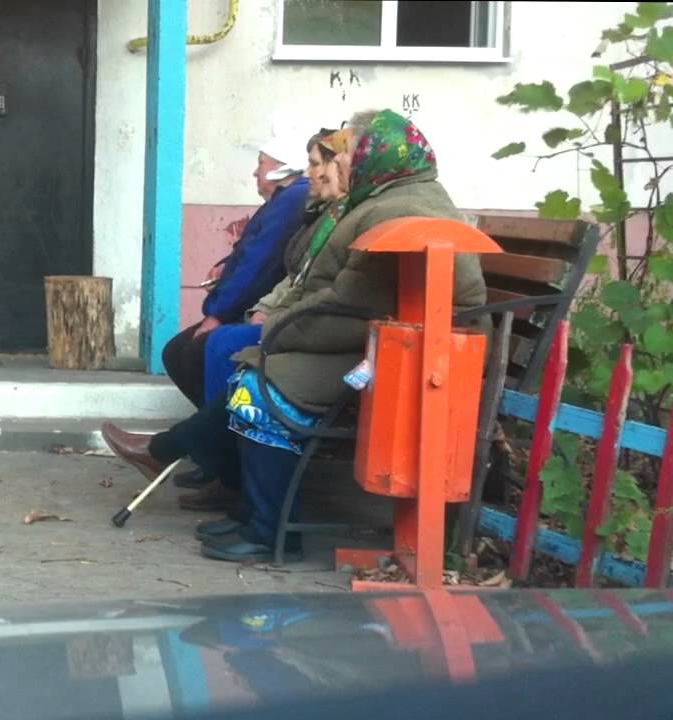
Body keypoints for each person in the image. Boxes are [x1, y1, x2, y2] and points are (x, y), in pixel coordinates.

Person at [199, 109, 488, 562]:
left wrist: (277, 332)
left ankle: (270, 534)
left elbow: (347, 304)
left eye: (350, 152)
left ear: (377, 155)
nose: (341, 162)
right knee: (248, 377)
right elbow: (342, 300)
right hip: (386, 344)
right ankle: (253, 516)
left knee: (259, 391)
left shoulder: (395, 208)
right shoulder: (389, 197)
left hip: (410, 359)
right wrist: (278, 330)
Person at [108, 130, 335, 516]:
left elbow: (295, 279)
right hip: (294, 321)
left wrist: (241, 313)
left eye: (317, 165)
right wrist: (261, 304)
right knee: (195, 350)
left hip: (314, 336)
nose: (310, 174)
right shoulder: (318, 208)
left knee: (219, 349)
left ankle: (220, 471)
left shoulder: (304, 203)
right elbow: (293, 278)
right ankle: (212, 461)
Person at [160, 133, 312, 410]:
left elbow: (257, 264)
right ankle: (209, 425)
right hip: (260, 308)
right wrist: (226, 266)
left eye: (261, 163)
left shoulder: (292, 199)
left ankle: (219, 428)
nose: (256, 172)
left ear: (281, 168)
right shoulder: (285, 199)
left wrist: (217, 313)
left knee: (200, 349)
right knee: (178, 351)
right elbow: (252, 252)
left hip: (267, 312)